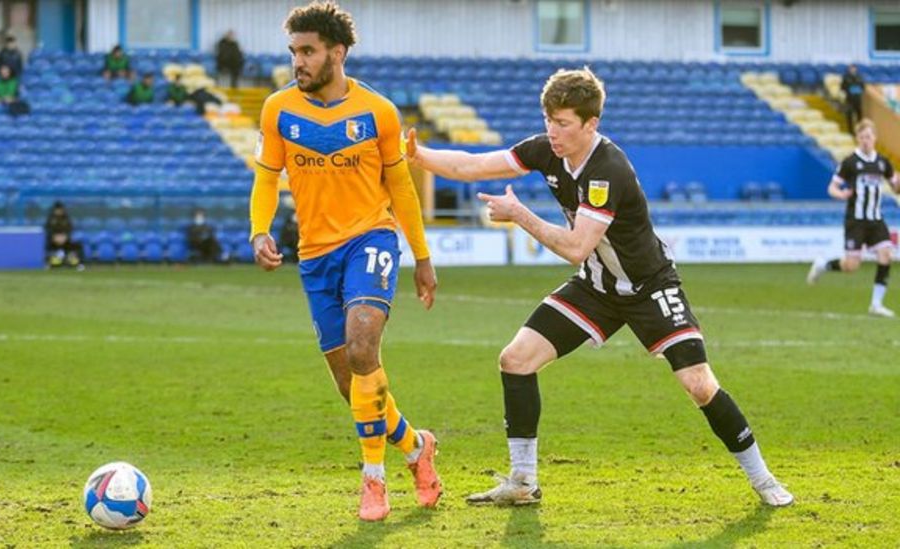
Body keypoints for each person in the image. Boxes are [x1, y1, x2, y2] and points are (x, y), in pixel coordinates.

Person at [407, 67, 794, 508]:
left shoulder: (606, 168)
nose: (552, 132)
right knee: (516, 359)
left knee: (699, 385)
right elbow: (475, 165)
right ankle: (522, 482)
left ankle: (763, 480)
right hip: (597, 288)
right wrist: (420, 157)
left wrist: (520, 215)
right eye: (549, 120)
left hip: (650, 287)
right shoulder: (546, 149)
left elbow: (575, 247)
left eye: (563, 123)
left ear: (591, 124)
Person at [250, 1, 441, 521]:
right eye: (294, 52)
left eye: (308, 51)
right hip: (314, 256)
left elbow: (400, 188)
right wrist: (260, 231)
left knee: (363, 347)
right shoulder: (278, 109)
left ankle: (373, 479)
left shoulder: (377, 111)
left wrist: (422, 257)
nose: (299, 62)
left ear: (337, 52)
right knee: (350, 380)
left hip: (370, 240)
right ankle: (417, 449)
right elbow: (267, 177)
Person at [807, 119, 899, 316]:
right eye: (863, 137)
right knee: (851, 266)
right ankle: (823, 265)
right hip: (855, 220)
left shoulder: (883, 163)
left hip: (875, 220)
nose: (866, 140)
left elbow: (895, 185)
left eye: (870, 136)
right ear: (857, 139)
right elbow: (831, 187)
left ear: (875, 138)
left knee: (886, 255)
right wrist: (841, 194)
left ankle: (876, 304)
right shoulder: (850, 163)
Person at [44, 201, 84, 269]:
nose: (59, 211)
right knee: (47, 246)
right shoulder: (50, 219)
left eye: (60, 209)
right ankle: (50, 263)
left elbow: (70, 229)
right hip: (53, 241)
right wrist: (54, 237)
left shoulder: (66, 218)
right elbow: (47, 229)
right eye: (57, 209)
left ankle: (78, 263)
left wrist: (65, 237)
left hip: (65, 241)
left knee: (78, 246)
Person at [841, 64, 865, 134]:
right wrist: (849, 89)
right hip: (849, 99)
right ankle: (850, 131)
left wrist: (858, 89)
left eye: (854, 68)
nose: (853, 69)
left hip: (858, 99)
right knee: (849, 116)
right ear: (849, 69)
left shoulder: (860, 77)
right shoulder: (845, 77)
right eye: (851, 68)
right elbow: (842, 87)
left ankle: (860, 131)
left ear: (856, 69)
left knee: (859, 116)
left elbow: (863, 87)